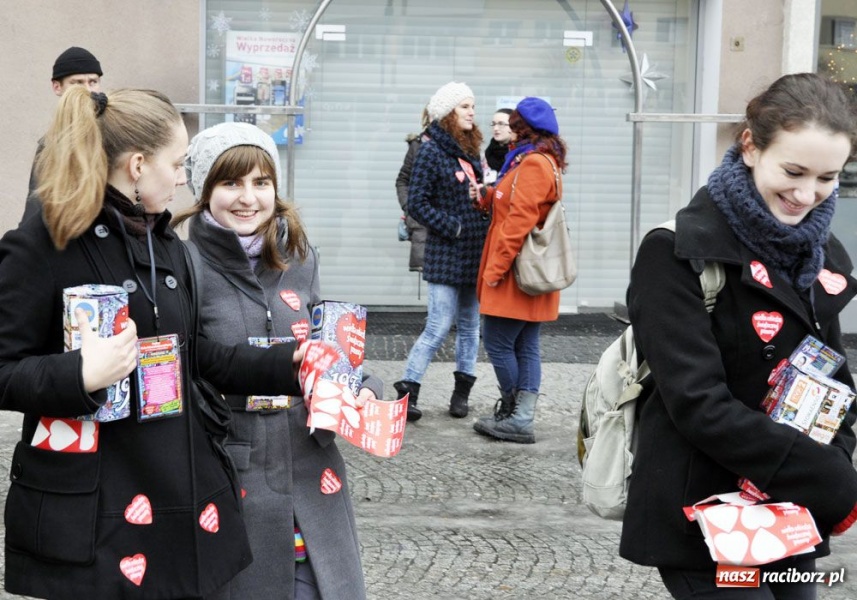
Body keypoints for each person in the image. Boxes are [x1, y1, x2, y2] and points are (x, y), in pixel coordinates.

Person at [0, 86, 310, 599]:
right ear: (139, 165)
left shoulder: (165, 244)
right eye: (179, 162)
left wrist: (289, 365)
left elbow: (195, 356)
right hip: (95, 506)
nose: (185, 177)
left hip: (179, 491)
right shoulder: (41, 245)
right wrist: (79, 375)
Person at [619, 72, 857, 599]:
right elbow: (698, 402)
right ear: (750, 145)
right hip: (704, 514)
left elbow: (834, 377)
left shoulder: (821, 253)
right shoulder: (676, 251)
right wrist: (825, 474)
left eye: (827, 178)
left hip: (789, 511)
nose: (806, 195)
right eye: (793, 171)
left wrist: (837, 455)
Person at [176, 121, 383, 599]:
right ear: (205, 190)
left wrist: (361, 383)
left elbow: (322, 343)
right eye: (230, 183)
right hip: (234, 473)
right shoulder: (184, 266)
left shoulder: (300, 257)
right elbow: (188, 365)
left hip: (311, 465)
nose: (248, 197)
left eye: (261, 182)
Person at [470, 97, 567, 444]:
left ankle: (516, 415)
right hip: (525, 271)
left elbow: (519, 222)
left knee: (497, 341)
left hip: (516, 273)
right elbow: (513, 201)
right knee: (525, 344)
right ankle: (519, 416)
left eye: (514, 126)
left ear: (525, 128)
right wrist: (488, 195)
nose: (508, 132)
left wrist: (494, 270)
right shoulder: (535, 160)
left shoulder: (534, 164)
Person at [394, 81, 489, 421]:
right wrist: (453, 226)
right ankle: (408, 393)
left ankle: (460, 396)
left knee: (469, 327)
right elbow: (416, 202)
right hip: (446, 252)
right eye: (465, 106)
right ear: (448, 112)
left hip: (475, 252)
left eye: (473, 106)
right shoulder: (430, 150)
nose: (472, 112)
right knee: (437, 326)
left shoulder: (472, 148)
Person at [22, 46, 105, 224]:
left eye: (93, 82)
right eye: (77, 83)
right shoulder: (50, 144)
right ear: (57, 87)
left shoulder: (114, 129)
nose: (88, 90)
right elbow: (36, 207)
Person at [395, 108, 430, 272]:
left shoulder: (462, 145)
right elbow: (403, 180)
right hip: (421, 231)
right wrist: (410, 208)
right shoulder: (417, 145)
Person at [482, 108, 513, 184]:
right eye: (493, 124)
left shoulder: (519, 155)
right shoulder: (486, 155)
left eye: (501, 124)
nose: (495, 128)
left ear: (513, 126)